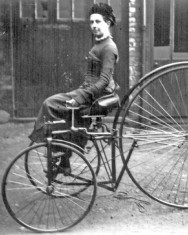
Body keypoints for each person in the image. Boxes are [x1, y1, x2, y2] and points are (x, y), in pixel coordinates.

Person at [29, 2, 119, 174]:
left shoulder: (108, 47)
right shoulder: (100, 43)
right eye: (91, 22)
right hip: (89, 90)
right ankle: (63, 157)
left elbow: (103, 82)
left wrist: (79, 97)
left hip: (97, 94)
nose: (93, 26)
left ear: (107, 23)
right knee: (55, 106)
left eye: (98, 22)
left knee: (50, 104)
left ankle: (61, 153)